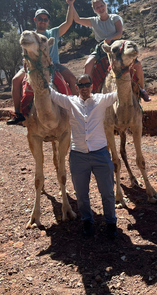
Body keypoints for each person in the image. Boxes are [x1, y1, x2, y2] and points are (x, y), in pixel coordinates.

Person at [50, 74, 118, 239]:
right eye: (81, 85)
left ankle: (111, 222)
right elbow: (50, 94)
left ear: (92, 86)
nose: (84, 88)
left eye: (87, 84)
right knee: (81, 194)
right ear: (77, 88)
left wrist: (127, 72)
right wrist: (39, 71)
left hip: (101, 154)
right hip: (78, 156)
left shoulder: (102, 100)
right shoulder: (71, 102)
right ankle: (87, 221)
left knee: (108, 192)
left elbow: (120, 92)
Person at [7, 0, 79, 125]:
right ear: (35, 20)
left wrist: (70, 5)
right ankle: (18, 113)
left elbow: (68, 23)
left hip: (54, 65)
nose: (43, 21)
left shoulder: (53, 33)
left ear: (48, 22)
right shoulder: (31, 35)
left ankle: (76, 110)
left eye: (45, 19)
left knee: (72, 79)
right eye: (40, 19)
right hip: (32, 66)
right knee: (15, 80)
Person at [70, 0, 151, 102]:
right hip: (101, 47)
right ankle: (90, 93)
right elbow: (76, 19)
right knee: (88, 64)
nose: (100, 8)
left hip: (117, 45)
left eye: (101, 5)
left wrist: (110, 39)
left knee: (137, 64)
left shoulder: (114, 18)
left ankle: (142, 90)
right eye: (97, 7)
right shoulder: (93, 21)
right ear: (94, 10)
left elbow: (119, 33)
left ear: (105, 5)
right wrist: (71, 4)